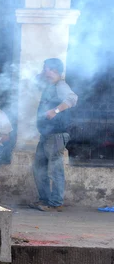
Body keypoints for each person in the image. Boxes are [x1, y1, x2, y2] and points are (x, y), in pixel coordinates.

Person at [32, 58, 78, 212]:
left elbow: (73, 99)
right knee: (39, 168)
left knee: (55, 170)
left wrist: (55, 110)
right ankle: (45, 200)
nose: (45, 71)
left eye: (47, 68)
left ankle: (56, 203)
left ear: (54, 70)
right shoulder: (50, 85)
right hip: (46, 134)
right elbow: (35, 82)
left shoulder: (61, 85)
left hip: (56, 135)